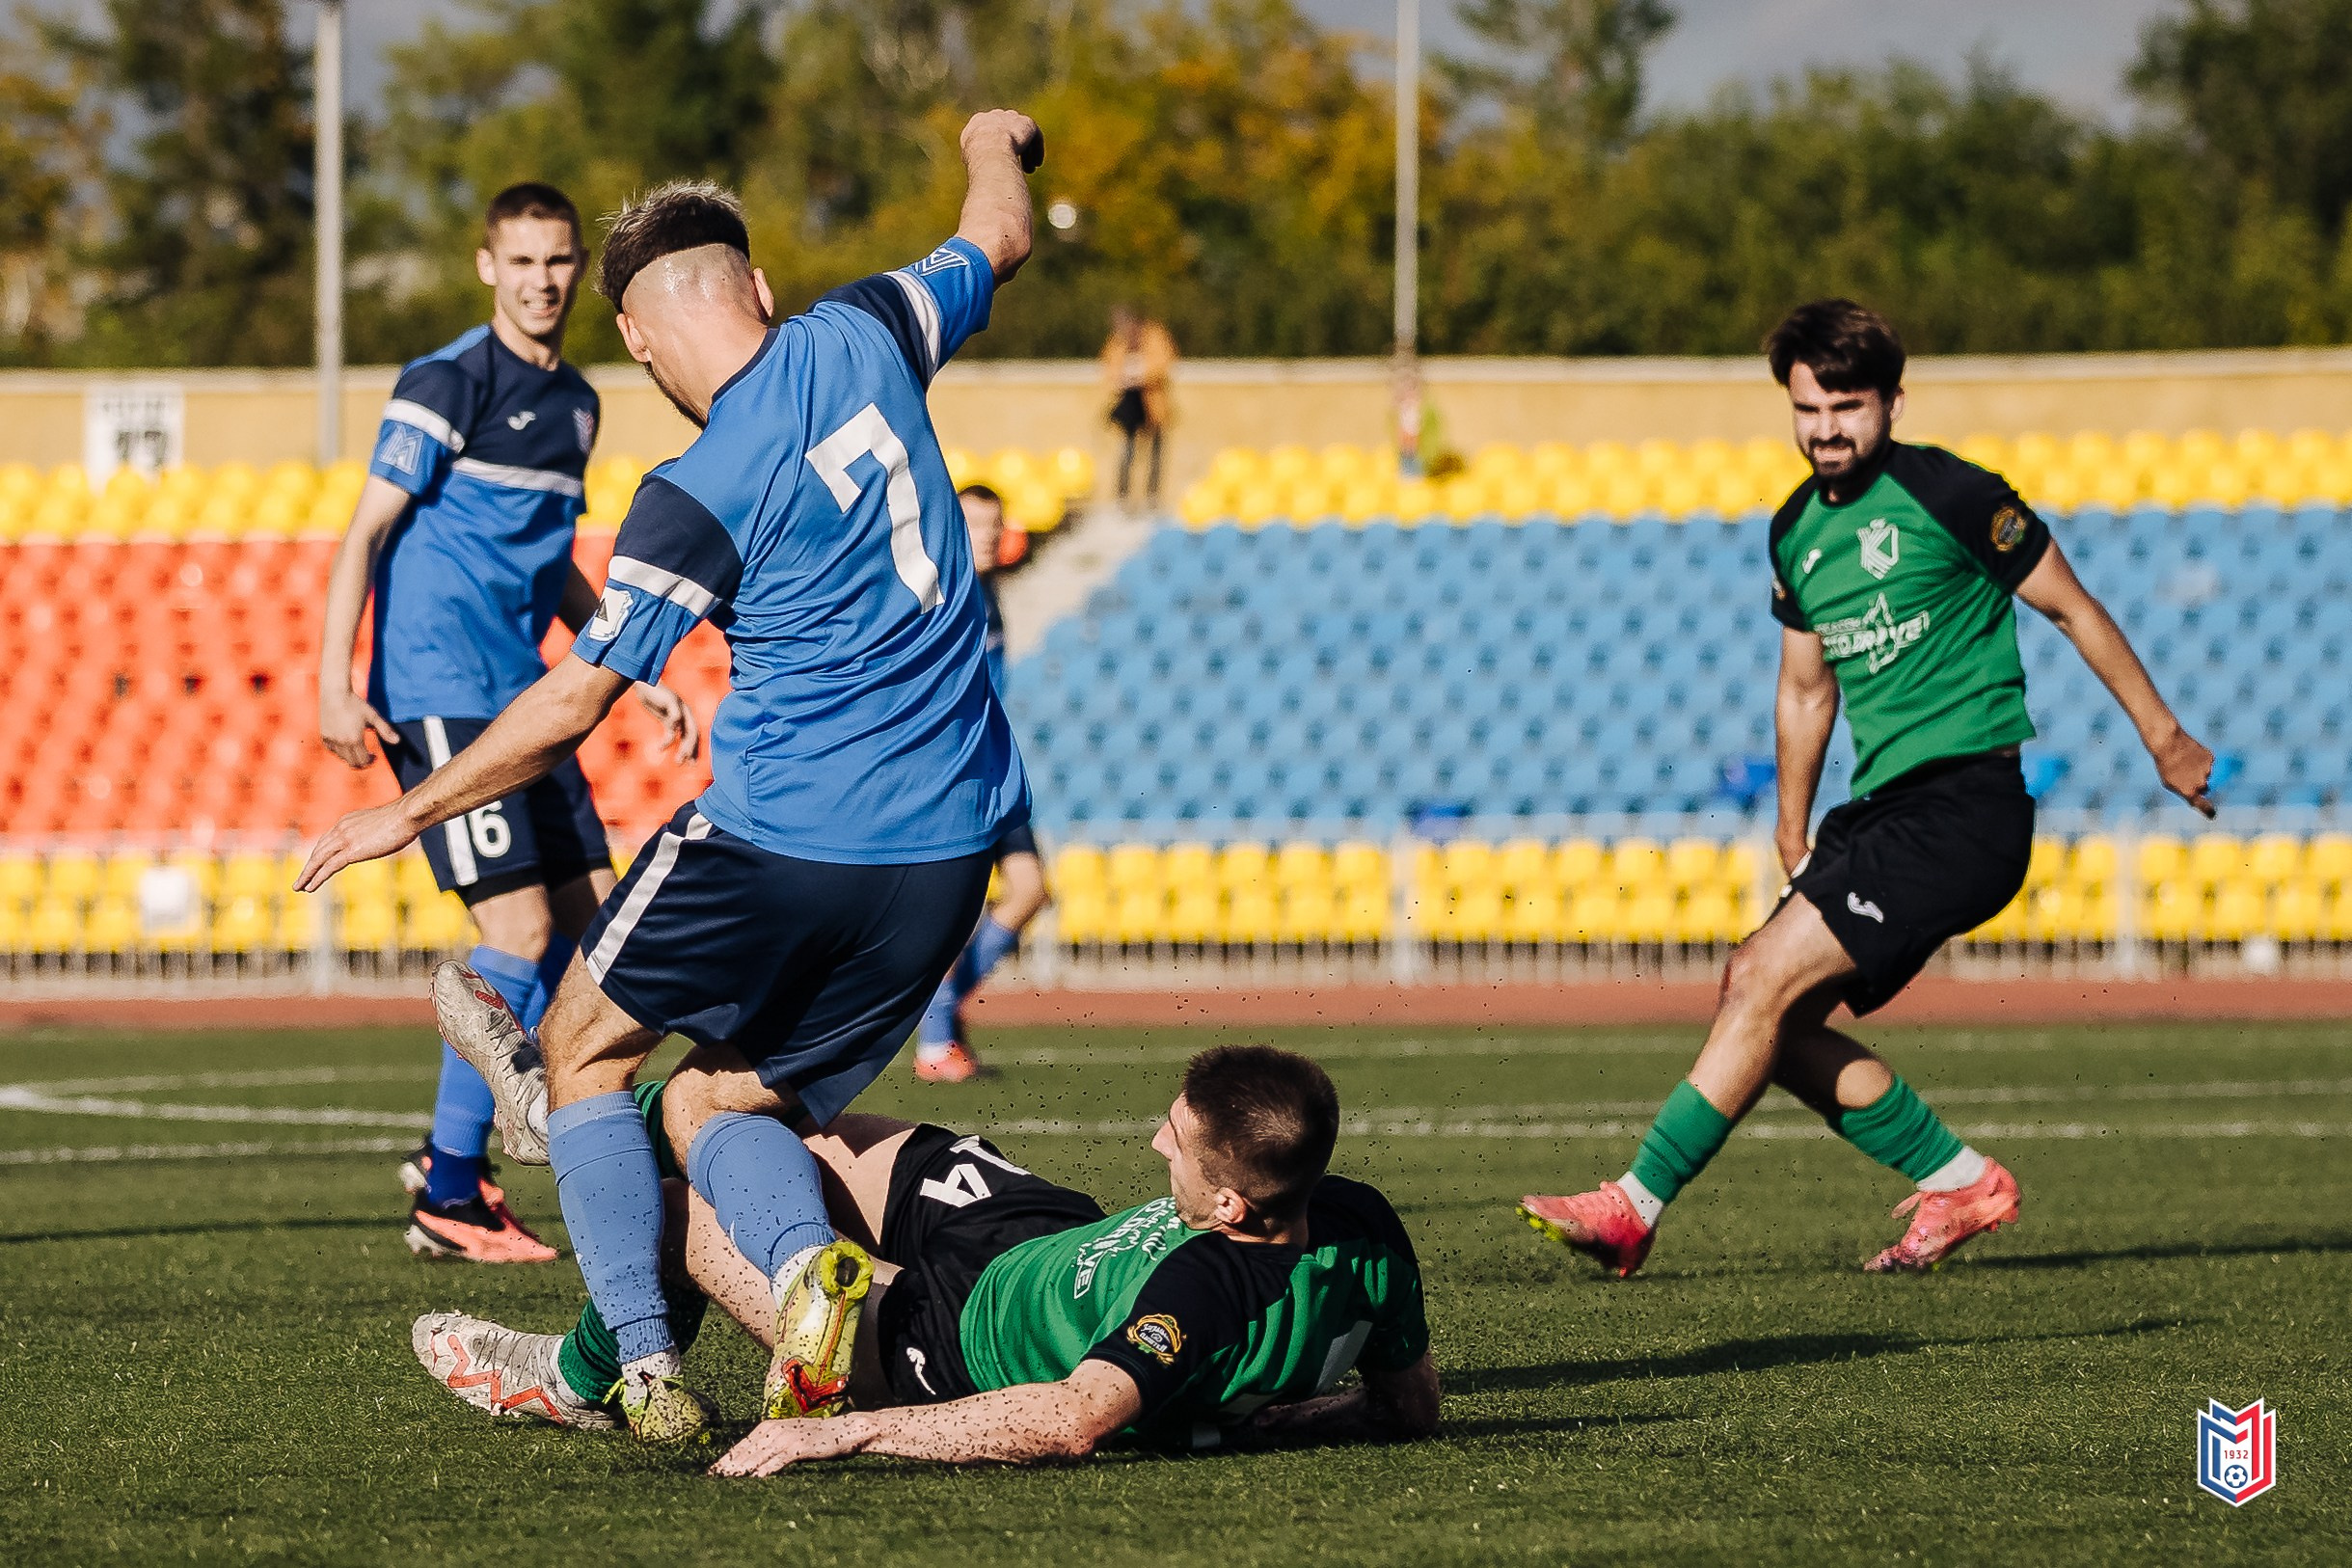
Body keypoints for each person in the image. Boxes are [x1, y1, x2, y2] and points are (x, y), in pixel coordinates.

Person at [298, 110, 1044, 1446]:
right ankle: (806, 1270)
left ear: (635, 342)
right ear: (758, 285)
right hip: (947, 851)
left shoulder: (692, 484)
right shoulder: (872, 327)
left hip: (783, 835)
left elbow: (572, 697)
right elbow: (1000, 228)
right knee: (722, 1094)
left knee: (584, 1050)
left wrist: (400, 810)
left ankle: (637, 1364)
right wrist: (995, 133)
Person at [1519, 299, 2217, 1279]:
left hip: (1966, 804)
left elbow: (2073, 610)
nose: (1826, 429)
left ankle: (1633, 1205)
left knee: (1761, 981)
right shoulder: (1795, 532)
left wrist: (2165, 736)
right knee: (1765, 1009)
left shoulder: (1955, 495)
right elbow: (1807, 689)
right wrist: (1792, 822)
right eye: (1808, 409)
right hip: (1876, 814)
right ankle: (1961, 1179)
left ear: (1892, 401)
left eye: (1847, 406)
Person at [409, 1045, 1439, 1467]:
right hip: (1036, 1233)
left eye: (1176, 1138)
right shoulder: (1360, 1220)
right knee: (756, 1113)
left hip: (937, 1339)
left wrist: (841, 1436)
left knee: (675, 1210)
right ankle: (579, 1117)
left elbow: (1074, 1417)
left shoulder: (1204, 1287)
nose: (1156, 1143)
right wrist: (1260, 1425)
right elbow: (1407, 1407)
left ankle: (574, 1372)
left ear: (1225, 1202)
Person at [313, 181, 698, 1265]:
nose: (542, 281)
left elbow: (548, 562)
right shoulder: (447, 380)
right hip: (443, 691)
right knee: (518, 936)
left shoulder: (578, 403)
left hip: (531, 700)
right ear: (489, 265)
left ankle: (558, 1148)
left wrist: (631, 654)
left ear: (580, 268)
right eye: (522, 261)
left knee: (593, 935)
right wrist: (333, 681)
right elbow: (365, 534)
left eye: (559, 261)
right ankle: (451, 1186)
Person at [912, 482, 1053, 1084]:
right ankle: (934, 1043)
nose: (989, 535)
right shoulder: (944, 596)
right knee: (955, 909)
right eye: (973, 525)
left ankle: (932, 1014)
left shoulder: (990, 592)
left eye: (995, 524)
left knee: (1029, 889)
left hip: (992, 766)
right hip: (954, 772)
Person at [1100, 306, 1175, 506]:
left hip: (1153, 403)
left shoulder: (1154, 336)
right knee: (1127, 451)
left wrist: (1142, 376)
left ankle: (1152, 496)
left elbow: (1164, 363)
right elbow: (1109, 367)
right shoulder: (1118, 343)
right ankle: (1122, 497)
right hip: (1130, 405)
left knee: (1155, 453)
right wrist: (1123, 378)